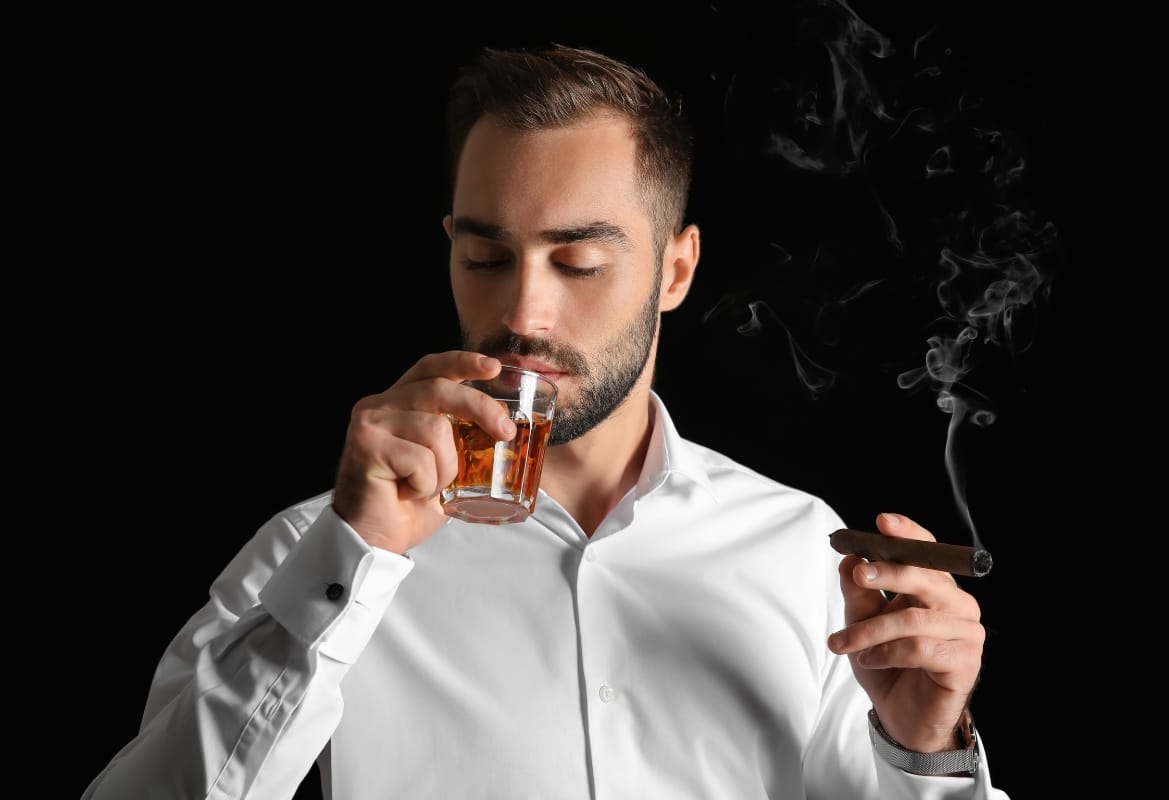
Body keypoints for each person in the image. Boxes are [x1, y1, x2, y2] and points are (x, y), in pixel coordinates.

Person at [82, 44, 1008, 799]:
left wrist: (925, 759)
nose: (523, 313)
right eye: (487, 256)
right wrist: (349, 561)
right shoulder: (314, 553)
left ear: (675, 272)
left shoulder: (803, 551)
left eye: (577, 263)